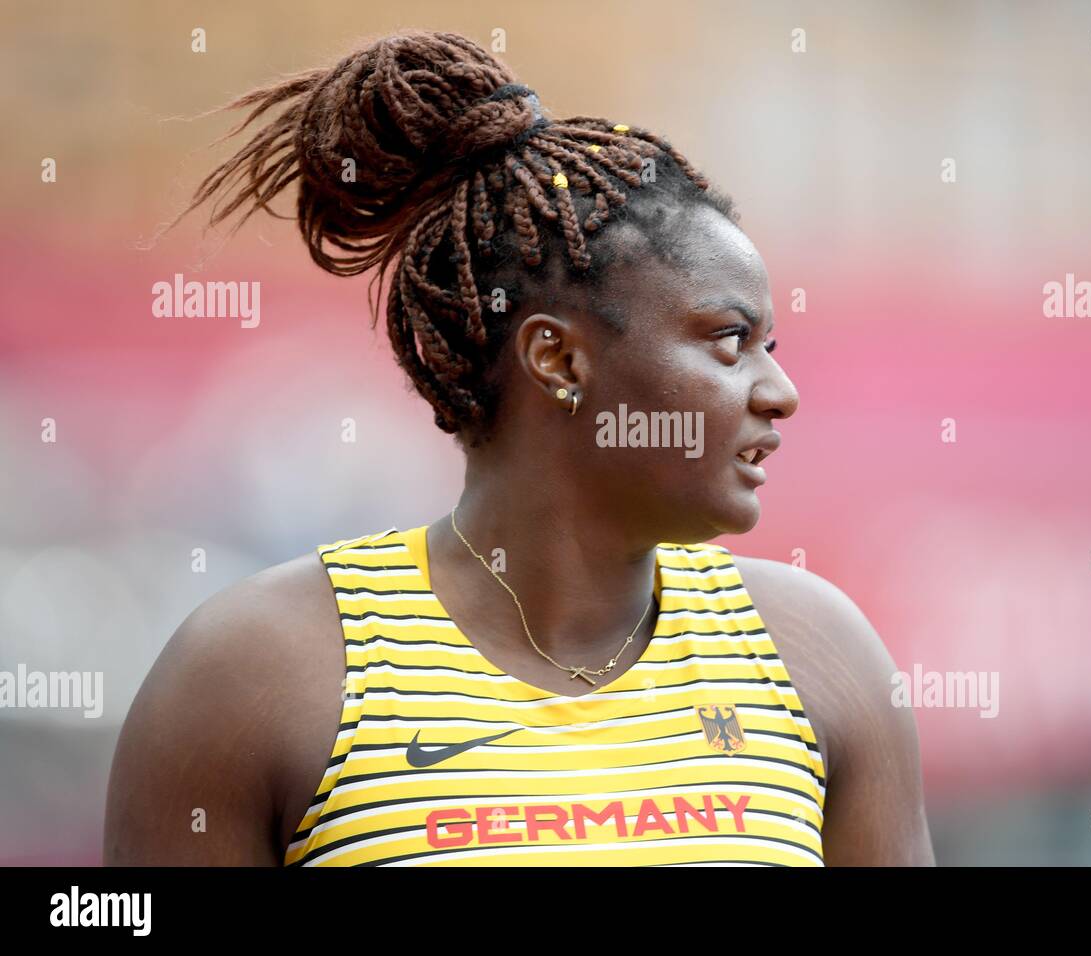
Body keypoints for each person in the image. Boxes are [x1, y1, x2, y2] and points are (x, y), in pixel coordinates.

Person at [103, 30, 935, 866]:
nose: (778, 393)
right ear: (558, 359)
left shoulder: (818, 658)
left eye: (773, 348)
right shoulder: (258, 674)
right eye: (729, 339)